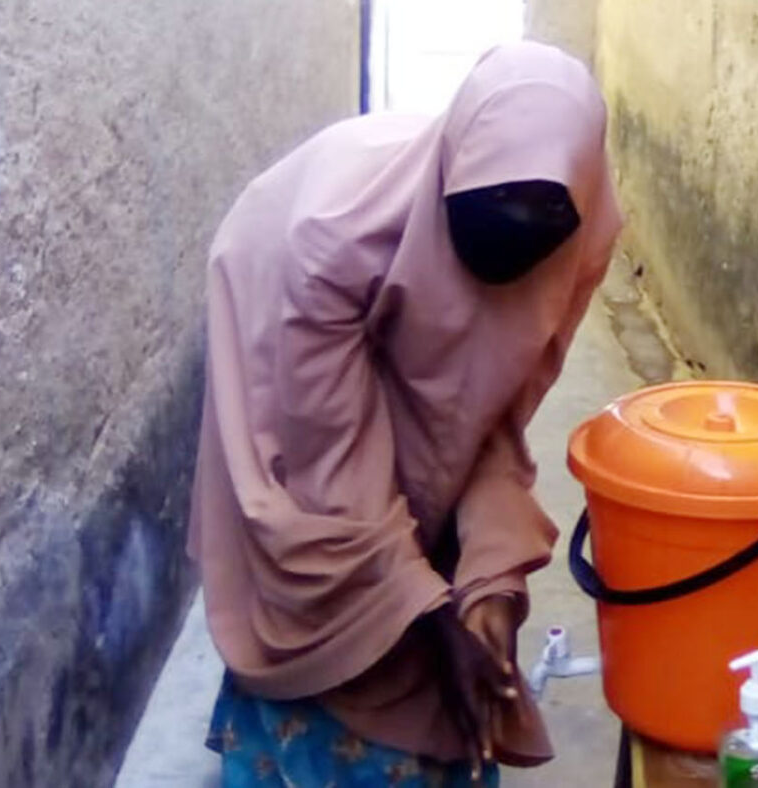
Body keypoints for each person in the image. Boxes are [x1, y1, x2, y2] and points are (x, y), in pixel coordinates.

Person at [186, 41, 622, 787]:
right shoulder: (326, 237)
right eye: (499, 196)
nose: (521, 220)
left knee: (448, 613)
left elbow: (488, 422)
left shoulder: (579, 242)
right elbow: (327, 460)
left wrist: (488, 581)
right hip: (290, 346)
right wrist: (429, 615)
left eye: (547, 204)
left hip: (361, 337)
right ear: (456, 171)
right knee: (328, 594)